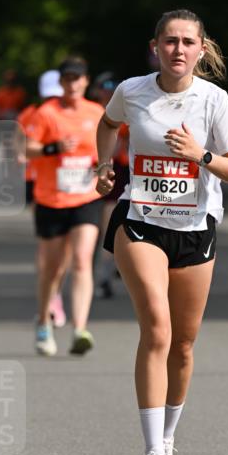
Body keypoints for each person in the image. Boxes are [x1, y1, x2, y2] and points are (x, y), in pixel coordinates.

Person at [96, 9, 228, 455]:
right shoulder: (132, 91)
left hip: (195, 228)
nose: (178, 49)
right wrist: (103, 163)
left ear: (201, 49)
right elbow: (107, 123)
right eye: (169, 41)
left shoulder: (214, 101)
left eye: (187, 42)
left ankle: (168, 438)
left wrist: (199, 156)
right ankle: (152, 454)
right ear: (155, 46)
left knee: (183, 344)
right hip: (140, 222)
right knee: (157, 330)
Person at [25, 56, 105, 356]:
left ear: (85, 81)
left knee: (83, 260)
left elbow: (105, 148)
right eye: (67, 78)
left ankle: (80, 328)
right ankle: (44, 321)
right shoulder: (47, 113)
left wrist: (103, 166)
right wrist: (53, 148)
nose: (72, 83)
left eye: (78, 78)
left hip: (85, 197)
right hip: (51, 198)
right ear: (60, 83)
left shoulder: (96, 112)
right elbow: (27, 148)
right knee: (53, 268)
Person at [17, 69, 69, 327]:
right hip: (38, 182)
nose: (52, 101)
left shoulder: (76, 112)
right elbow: (19, 148)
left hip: (70, 185)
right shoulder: (31, 114)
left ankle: (55, 292)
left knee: (68, 248)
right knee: (47, 245)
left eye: (56, 96)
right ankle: (51, 296)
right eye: (49, 96)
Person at [90, 72, 129, 299]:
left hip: (115, 175)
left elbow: (122, 145)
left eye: (114, 85)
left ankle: (104, 275)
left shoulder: (123, 113)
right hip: (83, 176)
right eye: (104, 86)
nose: (109, 89)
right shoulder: (88, 111)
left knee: (107, 226)